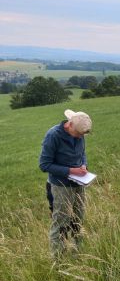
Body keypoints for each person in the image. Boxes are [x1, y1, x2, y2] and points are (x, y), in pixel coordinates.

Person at [39, 109, 92, 258]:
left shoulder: (79, 133)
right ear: (70, 125)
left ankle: (77, 254)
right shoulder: (53, 136)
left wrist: (83, 165)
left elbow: (82, 154)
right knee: (61, 223)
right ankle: (58, 261)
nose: (81, 137)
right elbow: (44, 165)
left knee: (78, 219)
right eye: (79, 134)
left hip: (79, 183)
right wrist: (71, 171)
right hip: (60, 186)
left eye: (82, 135)